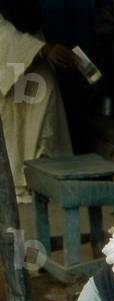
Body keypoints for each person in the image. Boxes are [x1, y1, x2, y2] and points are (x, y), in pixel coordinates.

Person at [0, 1, 76, 203]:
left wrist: (43, 50)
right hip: (6, 69)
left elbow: (28, 22)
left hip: (30, 60)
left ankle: (44, 176)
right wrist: (43, 50)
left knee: (46, 89)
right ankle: (18, 181)